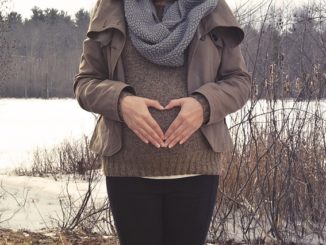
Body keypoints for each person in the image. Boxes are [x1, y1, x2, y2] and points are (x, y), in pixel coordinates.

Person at [73, 0, 251, 244]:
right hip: (128, 171)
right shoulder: (111, 6)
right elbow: (85, 83)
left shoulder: (212, 6)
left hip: (197, 171)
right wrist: (121, 102)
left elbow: (239, 81)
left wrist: (204, 105)